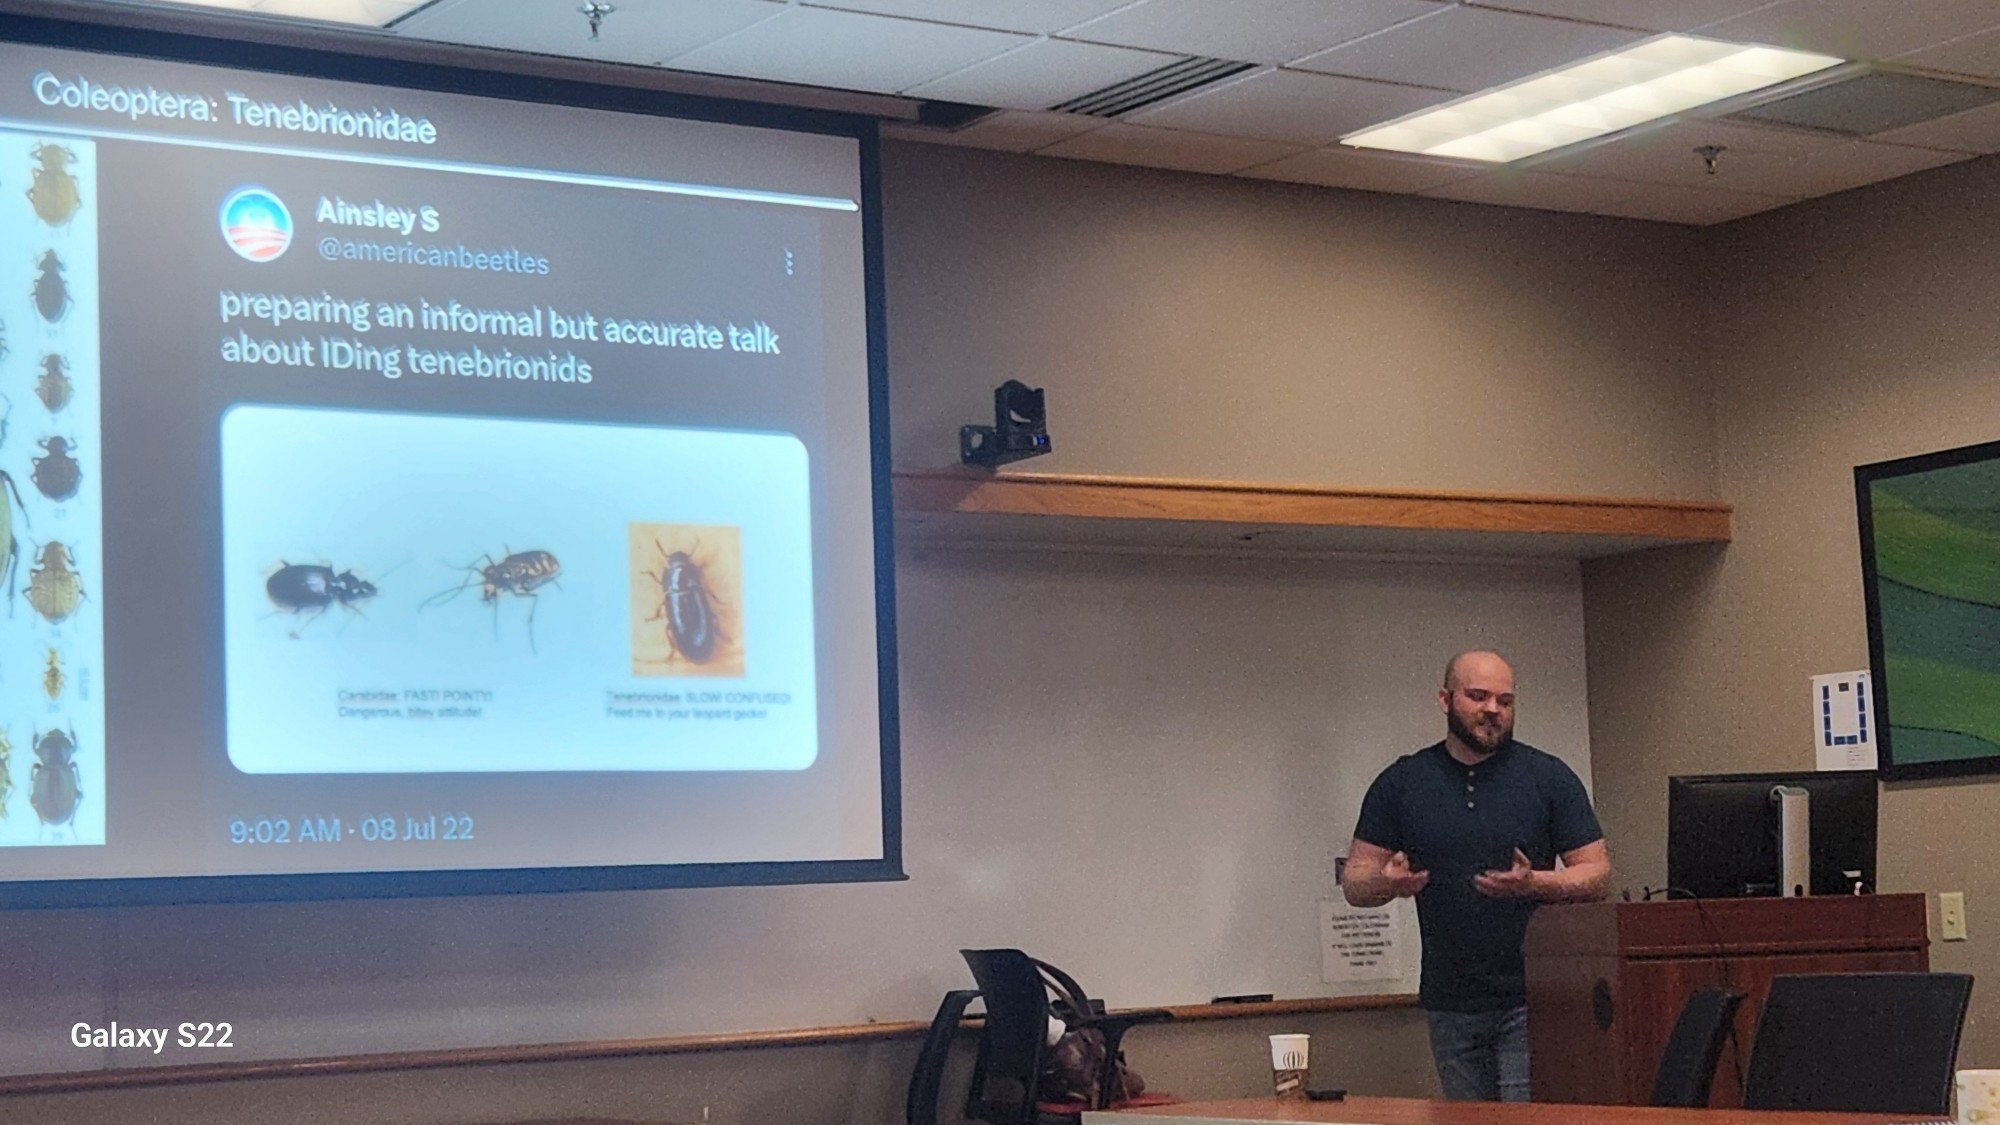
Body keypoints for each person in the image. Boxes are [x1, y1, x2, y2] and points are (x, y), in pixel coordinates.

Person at [1340, 650, 1610, 1103]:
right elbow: (1355, 881)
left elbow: (1597, 874)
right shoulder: (1404, 781)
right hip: (1451, 1001)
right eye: (1478, 696)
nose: (1493, 710)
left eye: (1505, 701)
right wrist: (1388, 882)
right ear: (1445, 700)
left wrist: (1536, 884)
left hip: (1535, 997)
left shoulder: (1548, 777)